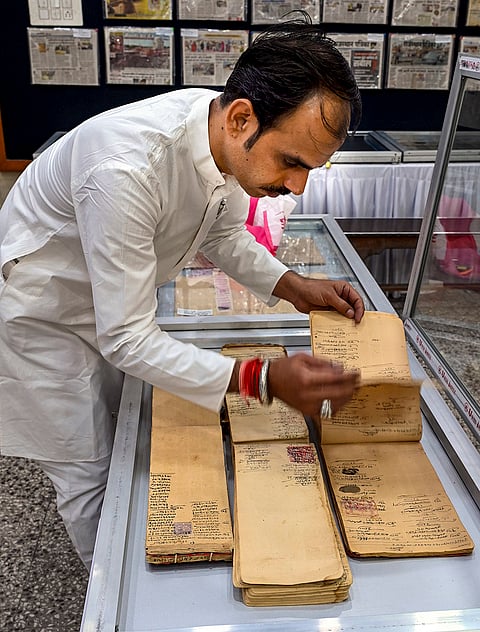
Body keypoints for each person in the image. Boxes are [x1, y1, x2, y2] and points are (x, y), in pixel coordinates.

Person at [0, 18, 363, 570]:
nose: (297, 186)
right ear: (242, 118)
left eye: (312, 168)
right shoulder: (126, 167)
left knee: (126, 431)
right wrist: (262, 378)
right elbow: (125, 339)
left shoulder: (219, 129)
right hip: (45, 313)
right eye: (292, 162)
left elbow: (220, 231)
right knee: (89, 468)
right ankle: (111, 593)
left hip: (110, 296)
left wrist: (293, 285)